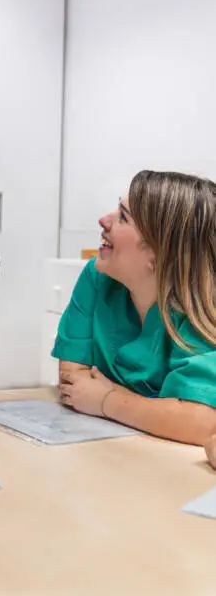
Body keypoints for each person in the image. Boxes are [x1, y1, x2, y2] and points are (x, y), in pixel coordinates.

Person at [55, 170, 216, 446]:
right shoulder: (98, 276)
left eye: (122, 217)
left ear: (158, 252)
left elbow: (201, 422)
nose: (103, 220)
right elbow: (74, 383)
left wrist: (107, 400)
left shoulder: (199, 310)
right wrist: (154, 410)